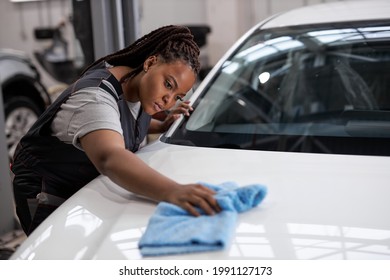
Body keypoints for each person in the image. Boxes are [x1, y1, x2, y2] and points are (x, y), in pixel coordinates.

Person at [11, 25, 220, 236]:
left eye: (177, 97)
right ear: (150, 62)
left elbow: (120, 123)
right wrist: (174, 191)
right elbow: (110, 158)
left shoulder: (139, 89)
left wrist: (162, 125)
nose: (169, 100)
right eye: (168, 84)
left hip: (81, 189)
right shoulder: (95, 98)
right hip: (47, 191)